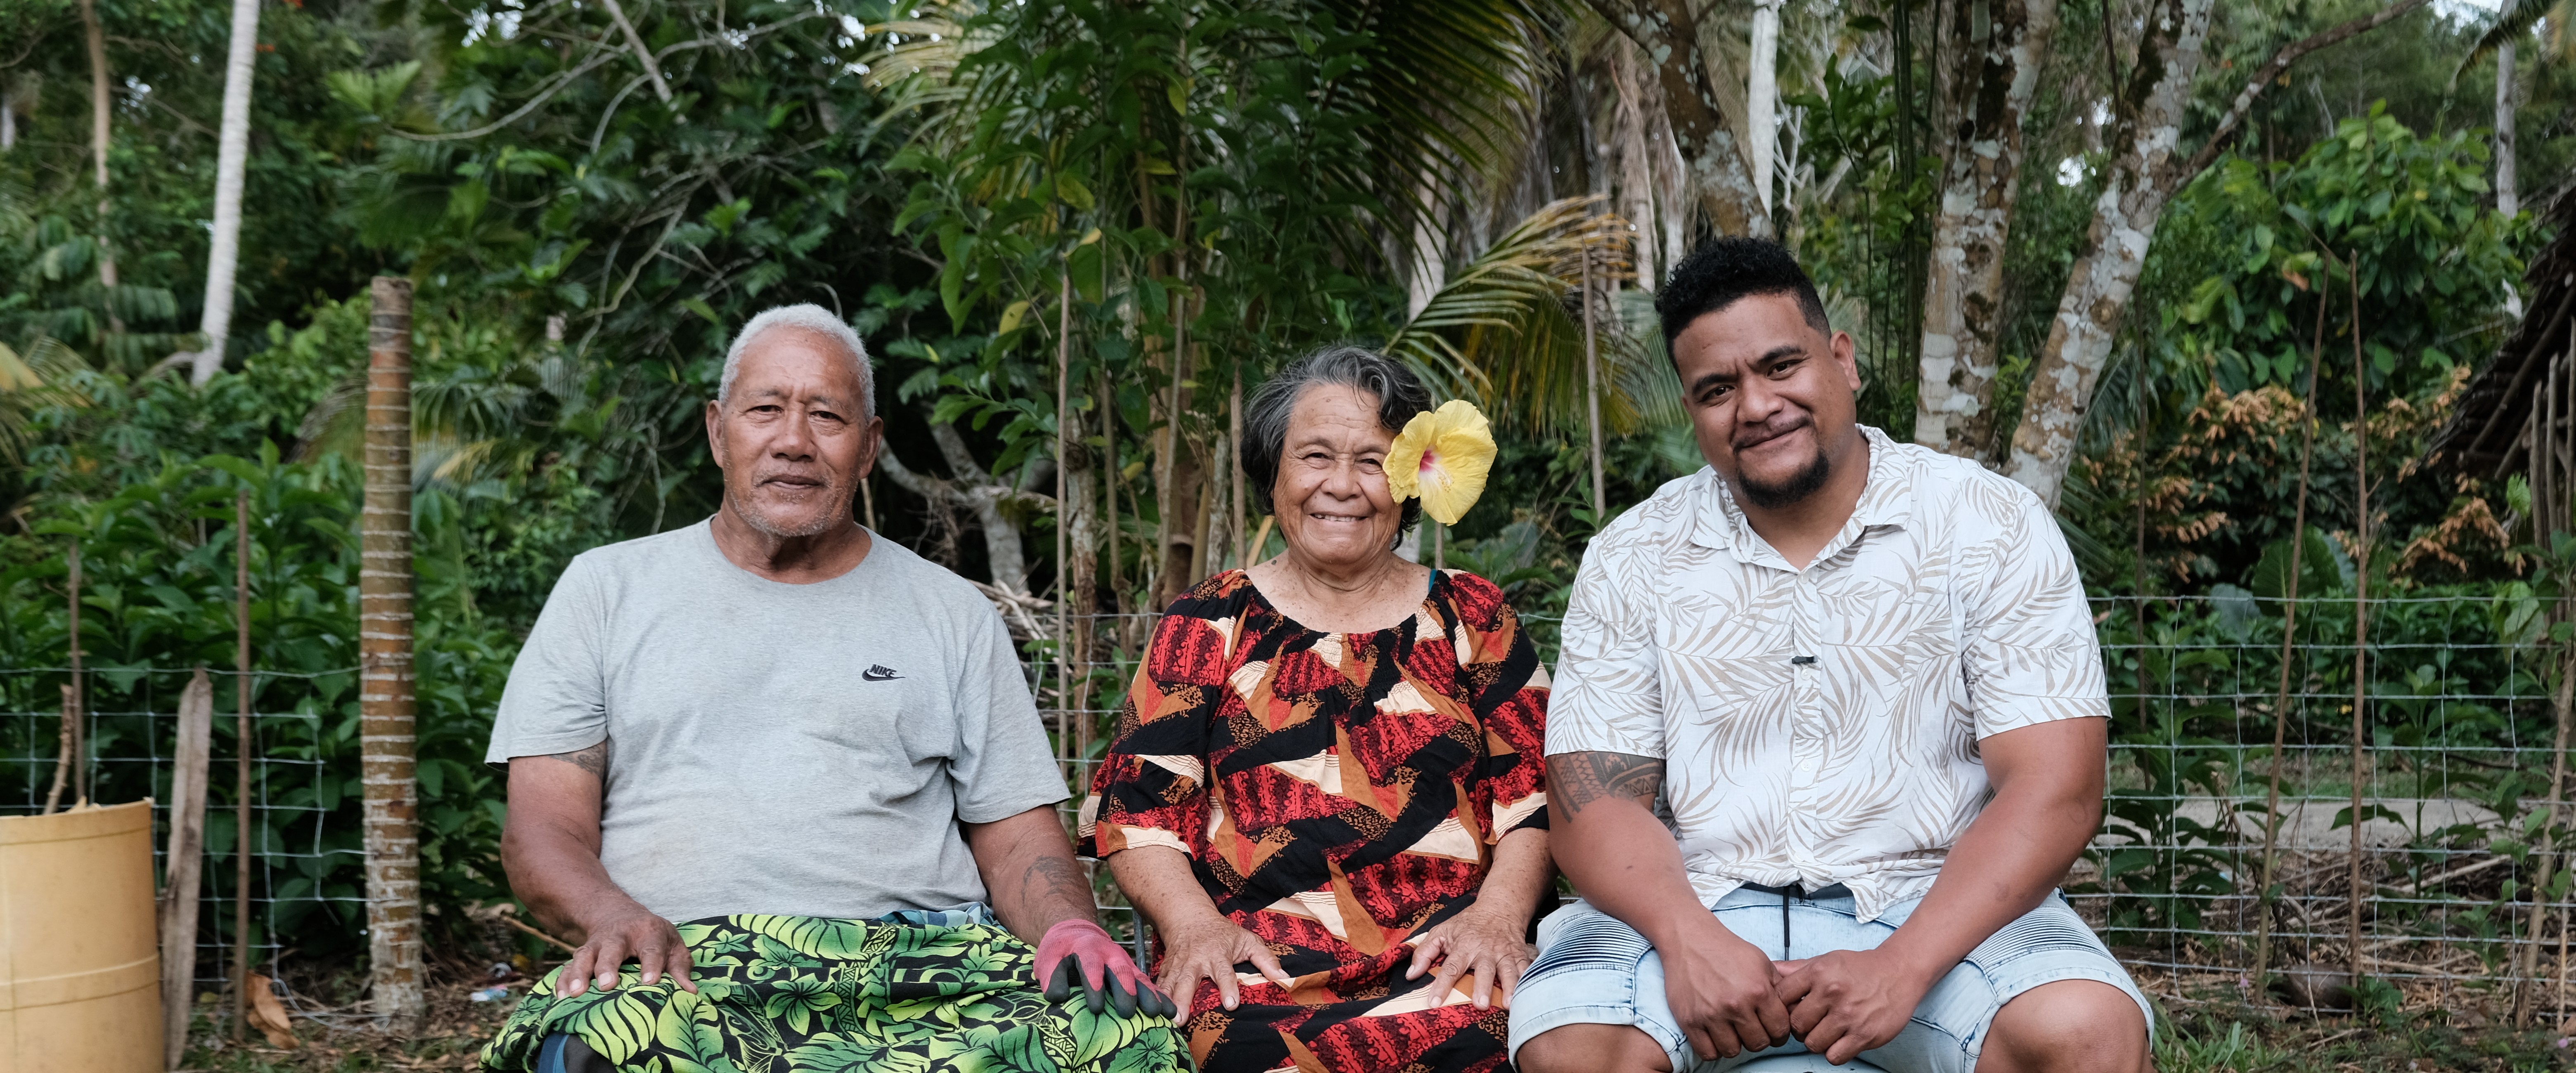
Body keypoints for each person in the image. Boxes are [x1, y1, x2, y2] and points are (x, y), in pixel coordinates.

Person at [478, 304, 1184, 1073]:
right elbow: (541, 831)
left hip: (926, 968)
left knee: (1125, 1041)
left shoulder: (952, 612)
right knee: (600, 1045)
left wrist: (1068, 929)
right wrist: (614, 916)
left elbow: (1017, 835)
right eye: (765, 410)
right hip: (683, 961)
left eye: (827, 416)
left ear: (870, 446)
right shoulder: (607, 590)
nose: (793, 441)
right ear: (719, 431)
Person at [1508, 239, 2150, 1073]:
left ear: (1841, 361)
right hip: (1699, 905)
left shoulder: (1986, 523)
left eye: (1782, 365)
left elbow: (2057, 786)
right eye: (1717, 389)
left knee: (2084, 1032)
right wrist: (1686, 937)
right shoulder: (1635, 555)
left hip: (1935, 901)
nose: (1757, 404)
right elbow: (1594, 802)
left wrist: (1904, 964)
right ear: (1693, 410)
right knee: (1576, 1052)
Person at [1081, 347, 1553, 1073]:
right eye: (1315, 456)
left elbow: (1538, 797)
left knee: (1495, 1032)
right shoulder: (1209, 620)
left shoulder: (1473, 613)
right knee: (1225, 1044)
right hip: (1256, 964)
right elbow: (1141, 813)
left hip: (1447, 959)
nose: (1342, 485)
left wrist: (1499, 918)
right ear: (1274, 473)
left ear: (1409, 480)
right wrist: (1195, 928)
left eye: (1372, 460)